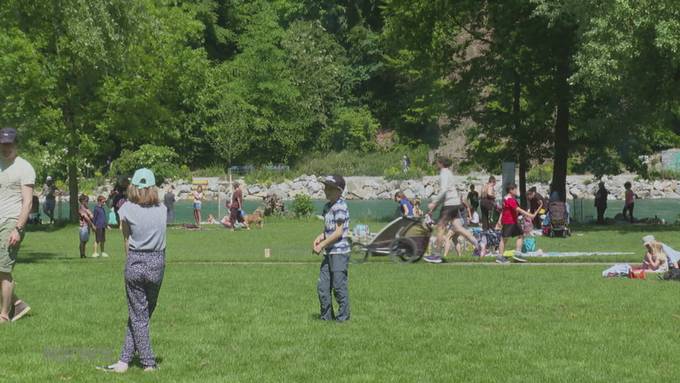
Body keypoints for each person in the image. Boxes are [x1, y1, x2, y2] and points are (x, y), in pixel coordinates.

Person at [99, 168, 166, 373]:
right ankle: (123, 361)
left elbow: (126, 241)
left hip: (136, 261)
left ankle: (147, 362)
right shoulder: (162, 208)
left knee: (139, 316)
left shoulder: (126, 209)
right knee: (142, 315)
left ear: (133, 187)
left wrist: (130, 263)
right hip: (158, 263)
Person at [0, 127, 34, 323]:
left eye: (9, 144)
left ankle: (4, 315)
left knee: (4, 269)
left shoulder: (24, 167)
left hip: (12, 221)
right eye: (3, 144)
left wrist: (18, 229)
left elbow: (28, 202)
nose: (6, 148)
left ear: (16, 145)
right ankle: (17, 304)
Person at [425, 157, 480, 264]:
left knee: (440, 228)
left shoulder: (443, 173)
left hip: (449, 204)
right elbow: (447, 192)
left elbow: (444, 191)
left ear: (440, 163)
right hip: (455, 203)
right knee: (458, 227)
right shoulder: (449, 173)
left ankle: (436, 254)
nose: (436, 164)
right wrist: (435, 207)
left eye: (437, 162)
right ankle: (478, 244)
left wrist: (434, 202)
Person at [313, 175, 351, 322]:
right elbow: (328, 231)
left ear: (339, 191)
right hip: (329, 252)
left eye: (330, 188)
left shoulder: (341, 205)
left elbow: (338, 232)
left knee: (338, 286)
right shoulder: (327, 207)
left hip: (339, 253)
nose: (326, 190)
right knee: (323, 287)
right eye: (325, 187)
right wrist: (319, 237)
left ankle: (343, 318)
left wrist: (322, 245)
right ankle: (326, 318)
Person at [497, 183, 537, 264]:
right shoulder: (509, 199)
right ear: (511, 190)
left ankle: (517, 254)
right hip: (509, 221)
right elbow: (518, 209)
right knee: (504, 238)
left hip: (514, 221)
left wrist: (499, 220)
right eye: (515, 189)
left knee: (521, 235)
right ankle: (500, 257)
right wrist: (530, 215)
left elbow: (505, 210)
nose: (516, 191)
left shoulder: (511, 198)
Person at [78, 194, 95, 259]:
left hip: (87, 226)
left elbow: (91, 216)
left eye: (87, 200)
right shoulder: (81, 208)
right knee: (82, 241)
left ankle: (83, 254)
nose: (87, 202)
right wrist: (92, 225)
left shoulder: (86, 208)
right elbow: (87, 218)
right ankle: (82, 254)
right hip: (83, 226)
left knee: (85, 241)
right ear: (82, 201)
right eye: (86, 200)